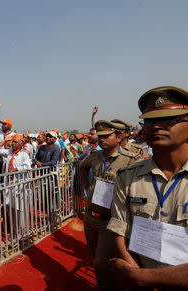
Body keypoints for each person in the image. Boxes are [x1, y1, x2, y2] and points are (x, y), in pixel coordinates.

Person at [107, 86, 188, 290]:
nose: (156, 126)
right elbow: (120, 233)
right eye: (150, 121)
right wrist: (138, 278)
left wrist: (143, 278)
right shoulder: (127, 177)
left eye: (169, 119)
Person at [79, 120, 142, 291]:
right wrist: (87, 186)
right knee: (96, 259)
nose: (101, 139)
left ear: (119, 136)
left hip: (111, 220)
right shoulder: (95, 156)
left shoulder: (130, 160)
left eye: (106, 136)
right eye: (99, 136)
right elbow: (82, 167)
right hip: (91, 216)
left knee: (100, 262)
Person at [0, 102, 15, 173]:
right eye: (2, 124)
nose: (3, 125)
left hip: (8, 156)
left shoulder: (14, 135)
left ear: (9, 126)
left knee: (7, 173)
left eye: (5, 124)